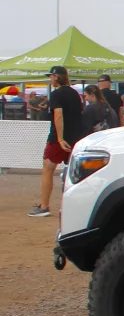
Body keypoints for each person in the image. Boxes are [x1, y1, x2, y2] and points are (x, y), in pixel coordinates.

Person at [29, 66, 82, 218]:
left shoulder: (57, 94)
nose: (50, 79)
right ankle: (75, 207)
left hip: (59, 138)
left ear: (56, 77)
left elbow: (58, 115)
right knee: (74, 172)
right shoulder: (75, 94)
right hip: (75, 136)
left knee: (47, 169)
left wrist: (59, 138)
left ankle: (44, 206)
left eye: (51, 76)